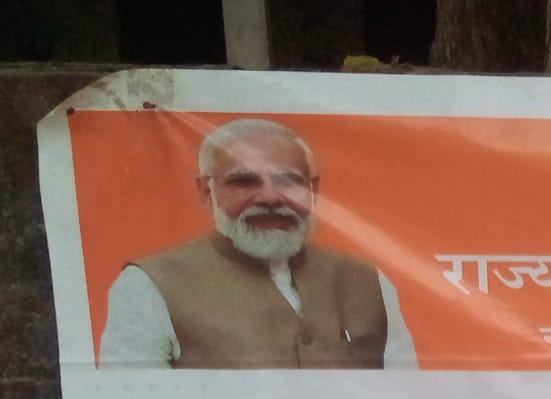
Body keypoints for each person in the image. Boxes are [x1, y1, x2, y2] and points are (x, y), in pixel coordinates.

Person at [98, 117, 416, 369]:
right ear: (207, 192)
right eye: (244, 181)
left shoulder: (367, 282)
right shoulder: (149, 285)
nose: (270, 197)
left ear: (313, 191)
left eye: (288, 181)